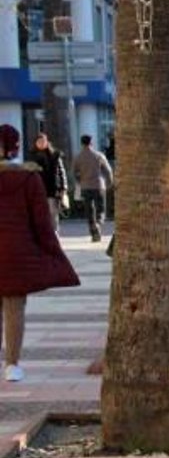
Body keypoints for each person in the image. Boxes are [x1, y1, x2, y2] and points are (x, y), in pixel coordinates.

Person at [0, 125, 80, 382]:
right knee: (14, 308)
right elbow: (42, 225)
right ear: (16, 147)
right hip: (16, 254)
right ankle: (12, 364)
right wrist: (53, 254)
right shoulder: (29, 178)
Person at [73, 135, 113, 242]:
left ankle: (93, 232)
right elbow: (108, 170)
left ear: (81, 143)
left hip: (85, 186)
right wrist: (109, 183)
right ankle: (98, 224)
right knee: (101, 209)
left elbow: (75, 173)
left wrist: (79, 182)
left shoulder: (78, 157)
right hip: (99, 185)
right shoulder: (99, 155)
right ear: (92, 143)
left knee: (89, 210)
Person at [27, 133, 68, 232]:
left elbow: (61, 172)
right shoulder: (31, 156)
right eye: (39, 141)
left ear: (47, 142)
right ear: (35, 143)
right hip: (37, 190)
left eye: (43, 141)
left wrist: (64, 187)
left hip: (52, 189)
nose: (41, 143)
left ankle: (54, 233)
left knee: (53, 213)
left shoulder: (55, 155)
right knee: (39, 213)